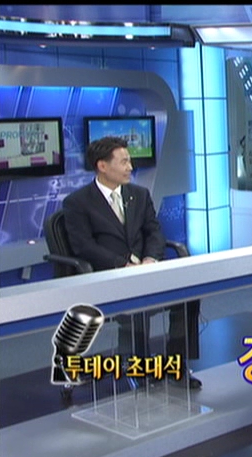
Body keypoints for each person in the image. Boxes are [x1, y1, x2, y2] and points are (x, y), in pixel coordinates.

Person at [62, 136, 202, 389]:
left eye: (130, 161)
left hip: (144, 271)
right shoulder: (78, 202)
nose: (130, 167)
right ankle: (139, 368)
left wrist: (150, 258)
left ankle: (177, 362)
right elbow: (84, 247)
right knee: (139, 304)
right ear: (102, 166)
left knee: (188, 296)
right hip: (106, 277)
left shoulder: (139, 194)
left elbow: (154, 232)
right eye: (124, 162)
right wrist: (122, 265)